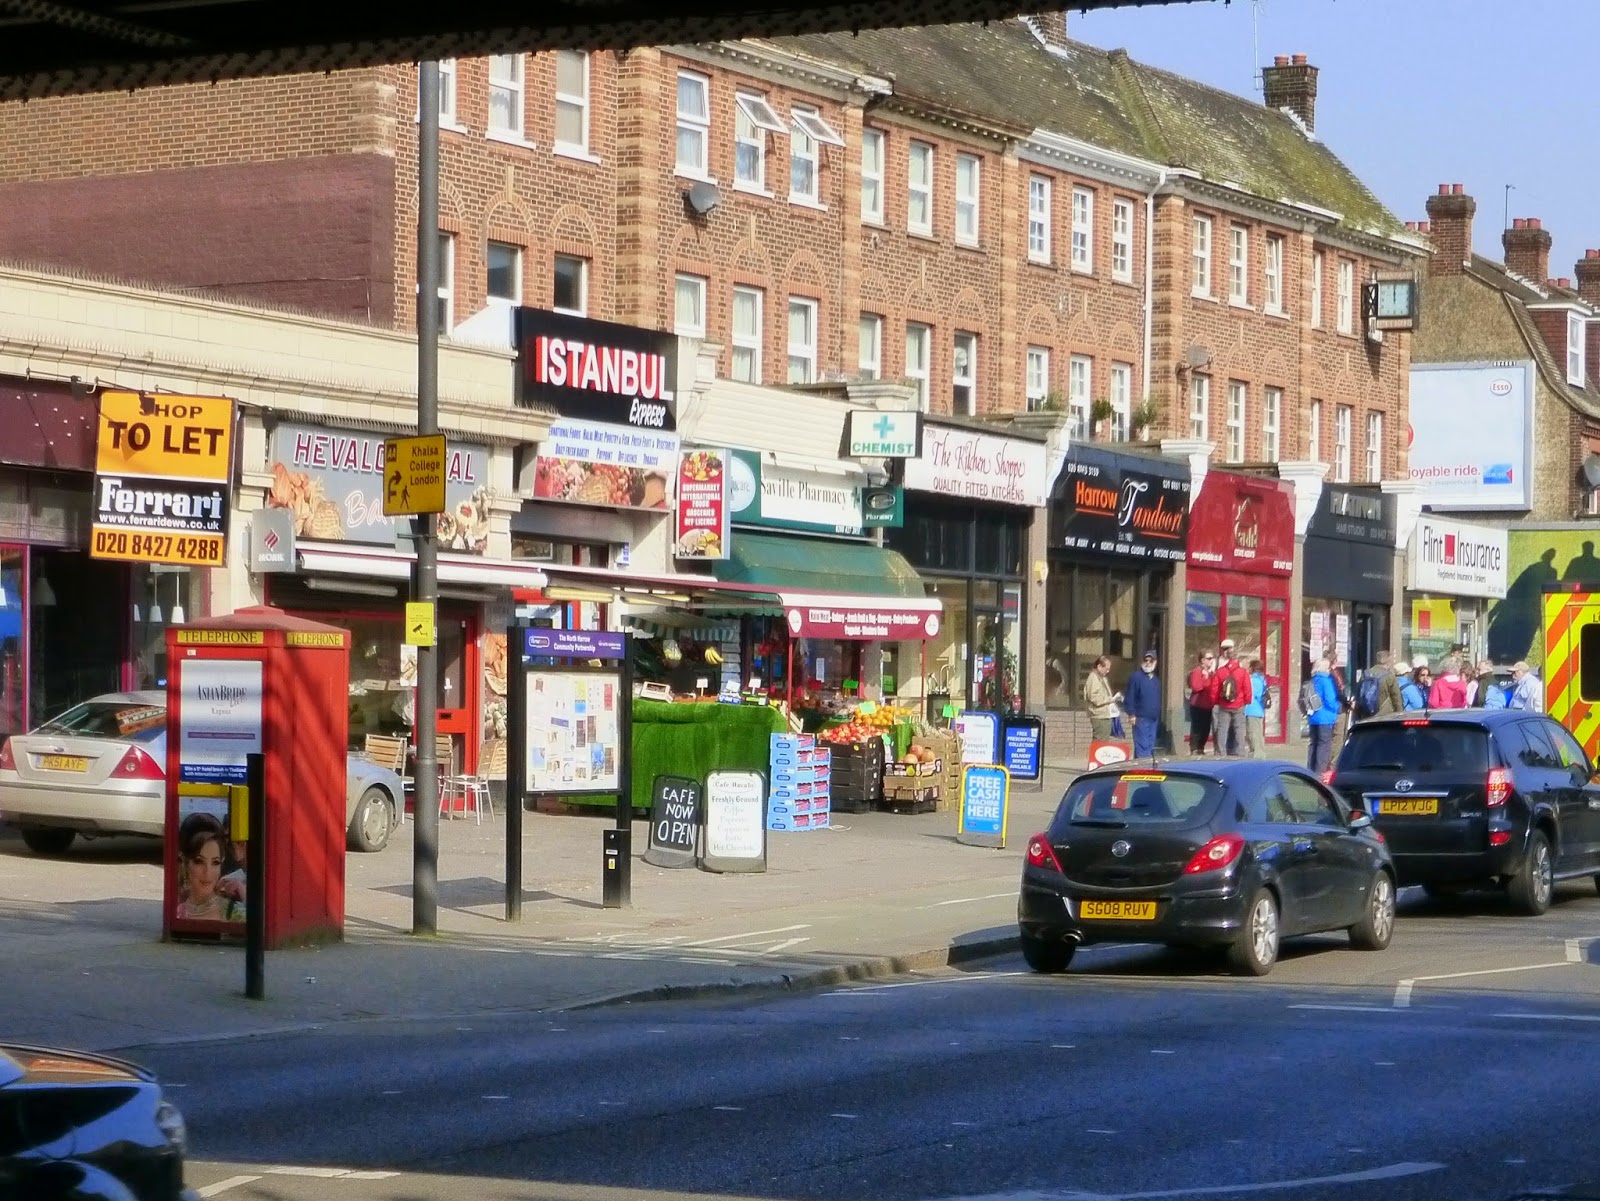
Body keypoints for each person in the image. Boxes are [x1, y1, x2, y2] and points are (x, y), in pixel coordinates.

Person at [174, 812, 243, 923]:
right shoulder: (175, 911)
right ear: (185, 862)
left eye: (215, 863)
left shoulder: (233, 912)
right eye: (199, 861)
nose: (208, 872)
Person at [1209, 638, 1251, 757]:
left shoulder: (1220, 671)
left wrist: (1216, 701)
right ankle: (1240, 752)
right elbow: (1247, 688)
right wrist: (1246, 701)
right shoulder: (1242, 671)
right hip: (1239, 704)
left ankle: (1220, 752)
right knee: (1239, 729)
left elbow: (1214, 689)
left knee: (1222, 729)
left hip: (1224, 705)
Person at [1123, 650, 1162, 760]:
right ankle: (1144, 769)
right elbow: (1130, 696)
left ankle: (1137, 768)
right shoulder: (1136, 677)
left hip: (1153, 719)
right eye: (1146, 660)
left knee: (1149, 746)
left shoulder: (1155, 680)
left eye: (1151, 660)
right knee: (1142, 747)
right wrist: (1131, 714)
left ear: (1155, 662)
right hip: (1141, 718)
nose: (1148, 663)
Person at [1305, 657, 1342, 773]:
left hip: (1313, 717)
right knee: (1324, 745)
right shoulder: (1326, 681)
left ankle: (1310, 770)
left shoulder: (1313, 680)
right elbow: (1330, 700)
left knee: (1313, 744)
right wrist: (1339, 708)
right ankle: (1320, 772)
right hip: (1325, 717)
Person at [1355, 651, 1404, 720]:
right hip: (1384, 715)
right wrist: (1400, 716)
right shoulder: (1389, 676)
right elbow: (1396, 698)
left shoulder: (1366, 673)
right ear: (1388, 662)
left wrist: (1357, 714)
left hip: (1366, 714)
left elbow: (1359, 694)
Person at [1081, 655, 1120, 741]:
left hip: (1104, 714)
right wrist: (1110, 699)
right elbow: (1094, 697)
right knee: (1100, 741)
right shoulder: (1093, 678)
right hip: (1099, 715)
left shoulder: (1101, 678)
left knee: (1104, 740)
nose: (1108, 671)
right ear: (1099, 666)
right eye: (1106, 669)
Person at [1187, 649, 1216, 754]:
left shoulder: (1210, 673)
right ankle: (1195, 749)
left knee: (1205, 729)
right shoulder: (1197, 671)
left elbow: (1213, 687)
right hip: (1197, 705)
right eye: (1209, 658)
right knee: (1197, 729)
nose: (1211, 661)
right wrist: (1205, 679)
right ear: (1202, 660)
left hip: (1208, 705)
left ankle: (1200, 748)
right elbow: (1196, 687)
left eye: (1212, 658)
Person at [1243, 658, 1269, 758]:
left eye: (1249, 667)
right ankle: (1257, 754)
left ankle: (1257, 756)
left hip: (1252, 710)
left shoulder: (1253, 681)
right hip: (1258, 710)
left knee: (1253, 736)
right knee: (1256, 735)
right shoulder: (1261, 680)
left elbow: (1252, 695)